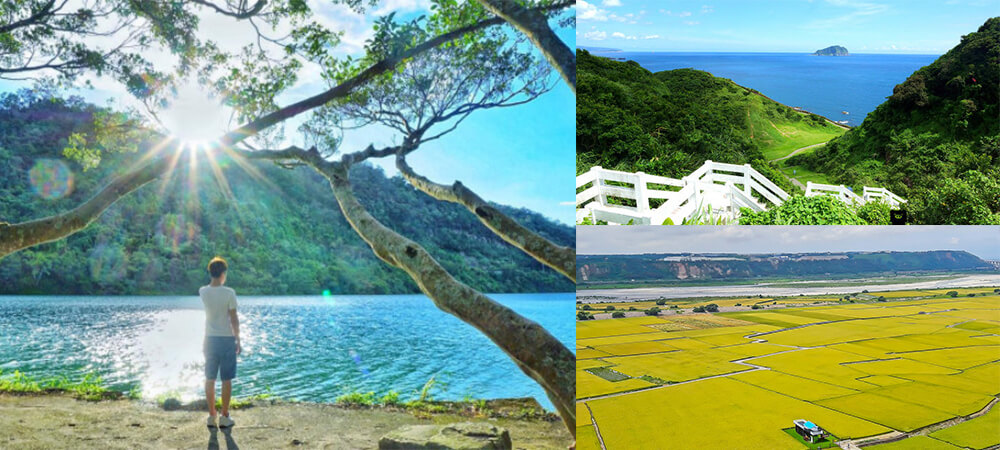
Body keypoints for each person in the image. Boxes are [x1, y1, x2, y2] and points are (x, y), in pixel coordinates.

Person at [200, 256, 241, 428]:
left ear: (210, 272)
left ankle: (211, 416)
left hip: (209, 339)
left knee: (210, 378)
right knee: (226, 379)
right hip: (226, 340)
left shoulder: (203, 291)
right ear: (223, 273)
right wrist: (238, 339)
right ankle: (224, 416)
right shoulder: (229, 293)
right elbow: (233, 318)